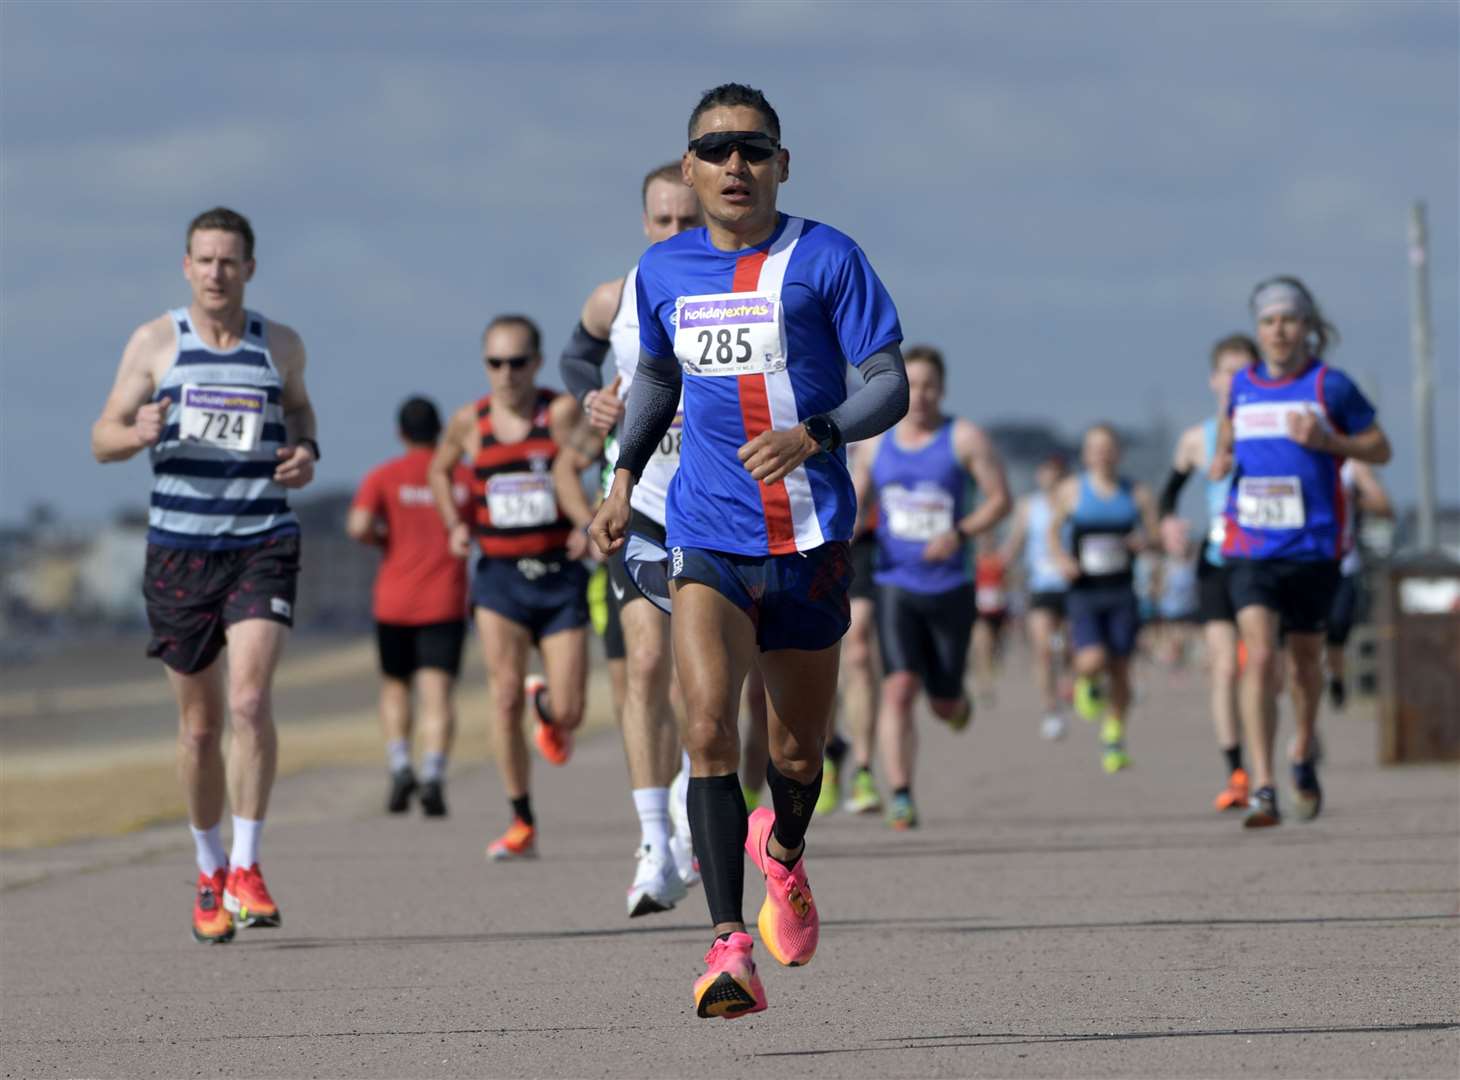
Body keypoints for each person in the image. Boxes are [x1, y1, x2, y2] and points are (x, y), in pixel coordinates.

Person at [589, 83, 908, 1019]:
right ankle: (729, 945)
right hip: (706, 532)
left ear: (781, 164)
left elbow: (886, 382)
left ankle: (785, 856)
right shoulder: (663, 272)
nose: (736, 166)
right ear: (690, 168)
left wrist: (815, 434)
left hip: (808, 536)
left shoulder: (827, 258)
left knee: (798, 754)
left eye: (754, 149)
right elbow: (652, 378)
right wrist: (619, 482)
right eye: (717, 150)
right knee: (705, 731)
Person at [90, 207, 318, 943]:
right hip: (179, 550)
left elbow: (300, 409)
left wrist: (305, 451)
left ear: (250, 268)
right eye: (204, 260)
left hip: (262, 538)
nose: (217, 273)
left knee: (250, 701)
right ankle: (209, 867)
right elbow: (102, 438)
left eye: (230, 261)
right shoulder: (156, 344)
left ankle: (249, 866)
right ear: (186, 267)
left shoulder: (278, 344)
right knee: (199, 729)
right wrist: (136, 433)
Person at [557, 161, 702, 915]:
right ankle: (653, 844)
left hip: (712, 508)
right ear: (645, 223)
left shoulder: (729, 290)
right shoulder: (616, 296)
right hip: (638, 498)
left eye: (689, 220)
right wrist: (593, 401)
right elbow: (578, 356)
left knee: (701, 684)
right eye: (663, 221)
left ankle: (687, 812)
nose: (676, 232)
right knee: (643, 664)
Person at [1211, 276, 1391, 826]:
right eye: (1268, 321)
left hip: (1313, 547)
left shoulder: (1330, 387)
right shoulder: (1240, 385)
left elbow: (1380, 447)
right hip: (1250, 546)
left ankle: (1302, 746)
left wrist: (1329, 443)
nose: (1279, 330)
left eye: (1289, 319)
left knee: (1306, 663)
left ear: (1308, 326)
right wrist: (1223, 460)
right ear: (1258, 329)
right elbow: (1228, 437)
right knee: (1261, 655)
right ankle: (1263, 784)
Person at [430, 314, 590, 860]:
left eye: (518, 362)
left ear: (537, 363)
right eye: (496, 363)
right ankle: (521, 820)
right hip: (498, 576)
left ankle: (546, 705)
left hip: (559, 574)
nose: (507, 374)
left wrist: (584, 522)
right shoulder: (468, 421)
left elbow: (588, 459)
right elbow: (439, 469)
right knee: (500, 698)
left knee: (571, 711)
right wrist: (455, 521)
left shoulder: (560, 411)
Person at [853, 345, 1011, 830]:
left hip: (950, 585)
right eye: (911, 385)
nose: (919, 396)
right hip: (894, 581)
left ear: (942, 390)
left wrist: (960, 533)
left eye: (928, 387)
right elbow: (855, 502)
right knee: (898, 686)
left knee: (942, 703)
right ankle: (900, 791)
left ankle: (956, 702)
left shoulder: (964, 438)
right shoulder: (877, 442)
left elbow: (1001, 500)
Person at [347, 397, 470, 817]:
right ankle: (433, 773)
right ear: (439, 432)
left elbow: (358, 525)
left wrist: (384, 540)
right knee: (437, 694)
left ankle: (401, 765)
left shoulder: (383, 476)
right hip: (445, 599)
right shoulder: (459, 476)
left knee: (395, 687)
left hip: (394, 600)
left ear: (401, 433)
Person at [1160, 334, 1260, 810]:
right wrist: (1169, 524)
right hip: (1217, 560)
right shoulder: (1196, 439)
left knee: (1266, 668)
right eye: (1228, 372)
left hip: (1266, 562)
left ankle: (1290, 736)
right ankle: (1237, 772)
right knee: (1224, 666)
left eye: (1246, 372)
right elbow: (1169, 492)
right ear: (1214, 380)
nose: (1235, 381)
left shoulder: (1271, 427)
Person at [1049, 424, 1160, 774]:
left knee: (1122, 667)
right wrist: (1062, 559)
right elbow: (1052, 531)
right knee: (1093, 658)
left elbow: (1155, 535)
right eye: (1094, 447)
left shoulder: (1137, 492)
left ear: (1118, 453)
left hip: (1122, 590)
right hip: (1085, 589)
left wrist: (1144, 541)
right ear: (1085, 453)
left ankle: (1114, 737)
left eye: (1107, 447)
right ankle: (1085, 680)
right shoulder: (1071, 490)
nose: (1101, 453)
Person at [1001, 454, 1072, 740]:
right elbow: (1016, 540)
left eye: (1056, 472)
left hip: (1073, 583)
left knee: (1070, 648)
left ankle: (1072, 682)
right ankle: (1050, 708)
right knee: (1042, 649)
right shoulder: (1029, 506)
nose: (1050, 477)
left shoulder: (1073, 503)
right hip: (1041, 585)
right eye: (1045, 471)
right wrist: (1000, 562)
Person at [1326, 460, 1392, 709]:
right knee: (1301, 642)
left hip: (1344, 565)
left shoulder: (1353, 466)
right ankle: (1305, 729)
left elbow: (1385, 506)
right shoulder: (1297, 453)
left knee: (1338, 628)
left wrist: (1352, 497)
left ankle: (1336, 677)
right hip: (1303, 562)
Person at [841, 444, 883, 813]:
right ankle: (824, 753)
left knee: (858, 649)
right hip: (799, 539)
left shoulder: (870, 404)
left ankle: (864, 768)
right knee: (803, 653)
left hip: (861, 545)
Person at [971, 535, 1010, 706]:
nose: (987, 543)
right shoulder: (974, 561)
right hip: (981, 611)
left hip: (998, 610)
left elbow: (1007, 582)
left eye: (989, 541)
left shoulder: (999, 561)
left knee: (994, 647)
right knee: (982, 647)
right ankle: (984, 686)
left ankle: (991, 672)